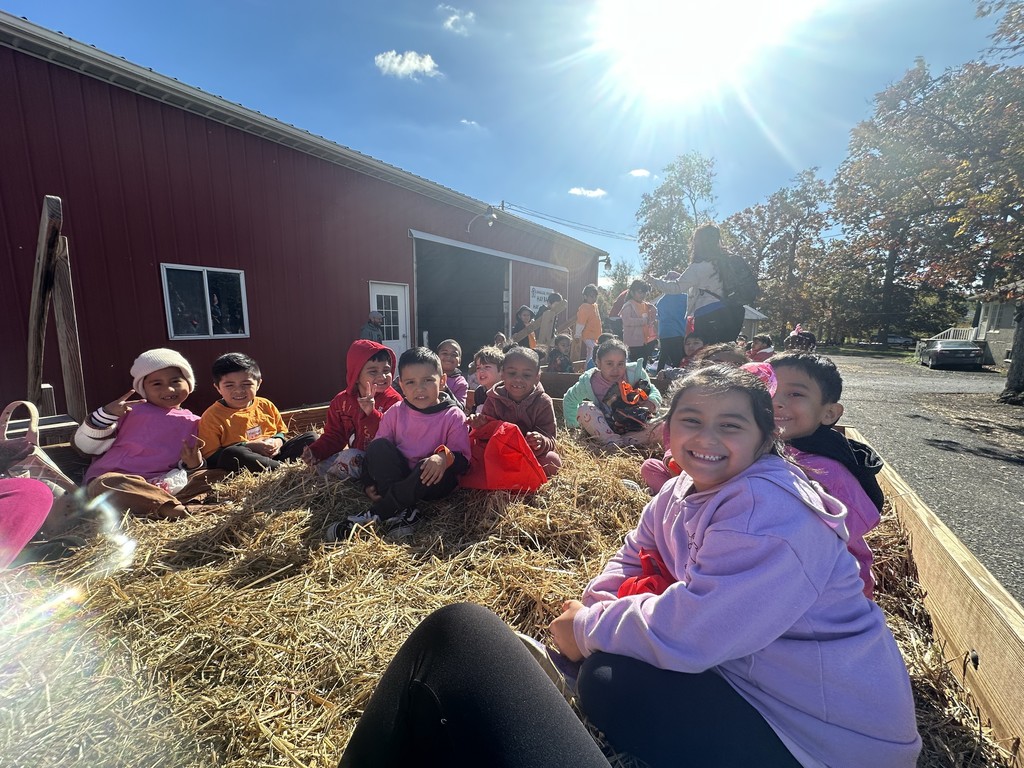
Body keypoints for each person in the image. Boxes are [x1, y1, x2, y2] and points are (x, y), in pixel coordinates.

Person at [339, 366, 921, 768]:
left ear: (767, 436)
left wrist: (586, 631)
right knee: (605, 676)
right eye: (691, 420)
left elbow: (694, 629)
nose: (706, 438)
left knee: (585, 674)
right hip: (760, 687)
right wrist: (591, 612)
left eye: (731, 425)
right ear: (667, 429)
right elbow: (634, 553)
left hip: (830, 744)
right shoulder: (682, 490)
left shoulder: (771, 511)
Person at [771, 352, 885, 598]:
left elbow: (821, 544)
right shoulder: (766, 446)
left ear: (829, 414)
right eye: (768, 390)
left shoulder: (824, 472)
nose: (776, 402)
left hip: (833, 592)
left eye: (795, 394)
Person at [327, 347, 470, 541]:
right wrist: (368, 481)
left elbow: (463, 461)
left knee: (426, 464)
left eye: (428, 380)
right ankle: (407, 512)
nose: (419, 388)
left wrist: (443, 457)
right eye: (411, 382)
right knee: (379, 447)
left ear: (442, 381)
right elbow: (375, 453)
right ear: (401, 385)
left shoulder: (453, 416)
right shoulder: (396, 412)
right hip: (401, 477)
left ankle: (379, 513)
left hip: (434, 483)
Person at [74, 348, 223, 519]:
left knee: (218, 475)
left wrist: (194, 465)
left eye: (176, 381)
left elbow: (188, 465)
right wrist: (105, 415)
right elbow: (84, 447)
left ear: (188, 384)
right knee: (104, 484)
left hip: (166, 484)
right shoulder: (129, 411)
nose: (169, 389)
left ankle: (176, 506)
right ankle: (178, 511)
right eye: (157, 384)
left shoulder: (196, 422)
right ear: (142, 388)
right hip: (125, 484)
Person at [198, 353, 316, 474]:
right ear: (218, 388)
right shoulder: (212, 416)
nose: (238, 390)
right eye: (229, 385)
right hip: (246, 463)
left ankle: (278, 468)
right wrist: (249, 446)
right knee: (232, 453)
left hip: (274, 455)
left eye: (246, 384)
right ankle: (285, 471)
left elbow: (281, 432)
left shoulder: (265, 405)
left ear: (258, 383)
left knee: (310, 437)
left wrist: (277, 442)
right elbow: (211, 456)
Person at [302, 340, 400, 481]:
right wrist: (316, 451)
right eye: (373, 371)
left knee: (350, 457)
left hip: (382, 462)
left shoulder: (393, 400)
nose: (382, 376)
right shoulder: (341, 402)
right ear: (356, 375)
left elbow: (392, 436)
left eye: (386, 370)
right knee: (323, 462)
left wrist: (371, 414)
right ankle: (338, 478)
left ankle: (341, 481)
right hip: (356, 456)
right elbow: (335, 435)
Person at [650, 223, 746, 344]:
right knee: (724, 353)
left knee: (705, 354)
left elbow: (676, 287)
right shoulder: (726, 261)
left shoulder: (700, 266)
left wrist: (652, 280)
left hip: (708, 313)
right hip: (732, 314)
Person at [476, 346, 561, 477]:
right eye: (512, 373)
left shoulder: (543, 402)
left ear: (537, 377)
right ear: (502, 373)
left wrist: (540, 442)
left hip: (529, 456)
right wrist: (480, 425)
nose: (518, 379)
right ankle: (509, 477)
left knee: (552, 461)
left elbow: (550, 438)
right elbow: (485, 435)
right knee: (474, 456)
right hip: (500, 453)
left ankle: (519, 478)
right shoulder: (493, 399)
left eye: (526, 375)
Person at [563, 338, 662, 446]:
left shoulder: (635, 373)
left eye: (620, 364)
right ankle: (612, 441)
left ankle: (625, 442)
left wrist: (651, 402)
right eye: (609, 364)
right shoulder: (590, 382)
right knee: (584, 408)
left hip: (635, 424)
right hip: (605, 426)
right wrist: (573, 427)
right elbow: (569, 399)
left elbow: (653, 390)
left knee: (663, 426)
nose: (615, 370)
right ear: (598, 363)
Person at [617, 279, 658, 365]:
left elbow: (650, 321)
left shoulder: (645, 305)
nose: (642, 295)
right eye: (640, 292)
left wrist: (653, 310)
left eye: (644, 293)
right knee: (633, 366)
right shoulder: (629, 305)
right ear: (632, 292)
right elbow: (627, 321)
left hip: (644, 341)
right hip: (632, 342)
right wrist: (643, 321)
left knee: (642, 365)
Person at [655, 271, 687, 370]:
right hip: (678, 332)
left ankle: (658, 377)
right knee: (678, 359)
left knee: (663, 356)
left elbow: (658, 317)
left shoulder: (660, 301)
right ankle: (677, 379)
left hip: (664, 333)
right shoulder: (685, 298)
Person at [469, 345, 503, 414]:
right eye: (478, 368)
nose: (481, 371)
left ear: (501, 371)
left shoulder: (506, 393)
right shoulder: (479, 392)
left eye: (487, 367)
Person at [574, 284, 603, 361]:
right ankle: (590, 368)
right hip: (588, 335)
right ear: (585, 296)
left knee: (590, 353)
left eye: (595, 296)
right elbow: (580, 322)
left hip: (595, 335)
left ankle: (588, 368)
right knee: (594, 351)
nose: (594, 298)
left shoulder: (594, 306)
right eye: (591, 296)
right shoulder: (584, 307)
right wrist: (577, 335)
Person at [436, 339, 468, 408]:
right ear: (436, 357)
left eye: (454, 354)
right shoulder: (429, 376)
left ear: (459, 361)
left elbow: (460, 408)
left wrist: (445, 390)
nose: (449, 357)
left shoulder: (461, 383)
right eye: (445, 353)